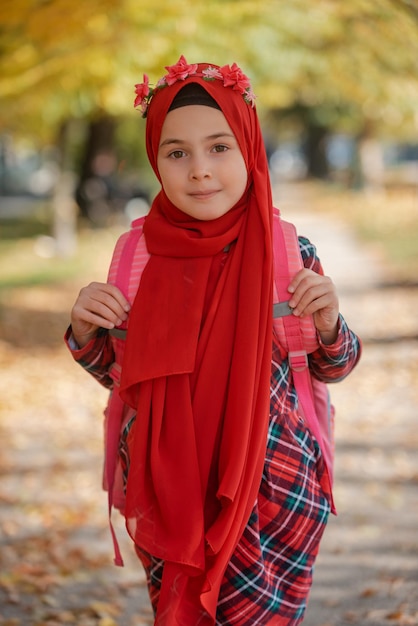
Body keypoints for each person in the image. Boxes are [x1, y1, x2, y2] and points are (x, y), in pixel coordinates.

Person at [65, 56, 361, 626]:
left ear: (249, 147)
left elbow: (332, 367)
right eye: (177, 153)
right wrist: (84, 335)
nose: (199, 170)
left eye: (219, 147)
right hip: (169, 495)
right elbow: (124, 374)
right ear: (156, 161)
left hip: (275, 492)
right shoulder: (138, 257)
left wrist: (329, 326)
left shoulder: (288, 252)